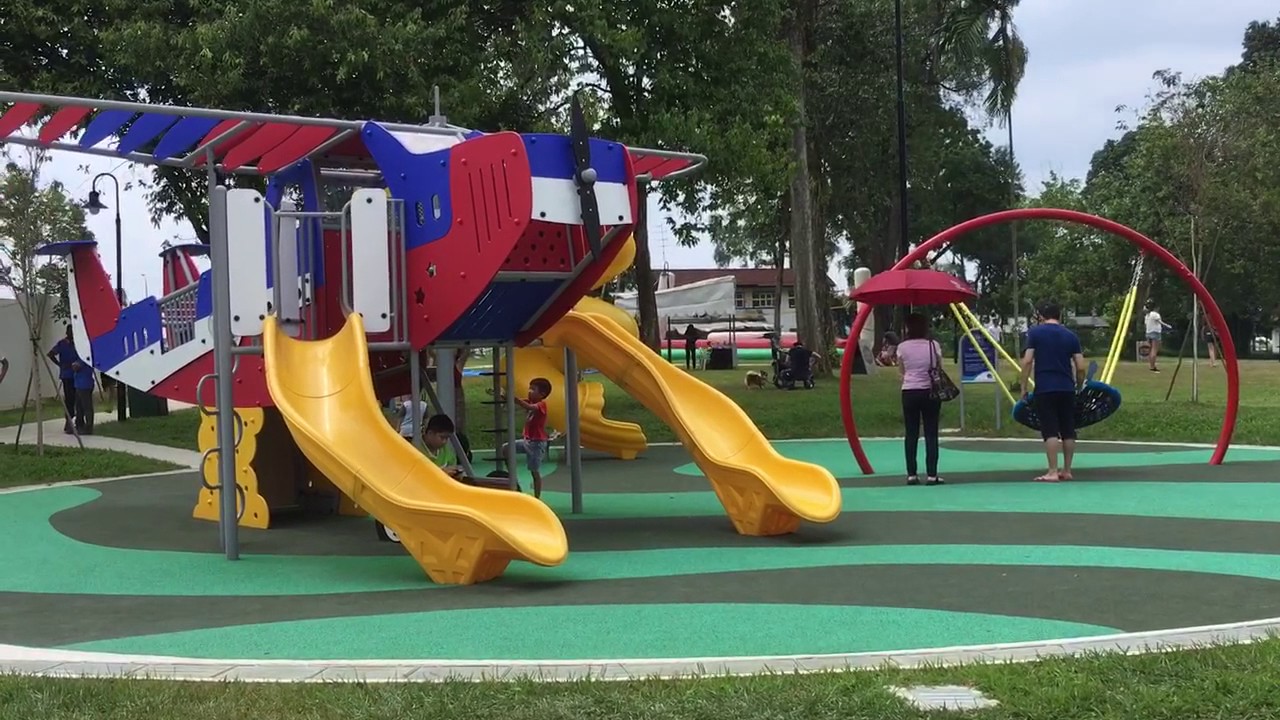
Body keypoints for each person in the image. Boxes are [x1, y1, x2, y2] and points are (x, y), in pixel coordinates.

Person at [1019, 302, 1087, 483]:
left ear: (1041, 316)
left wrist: (1023, 386)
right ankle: (1067, 470)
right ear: (1060, 315)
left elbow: (1027, 361)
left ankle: (1052, 471)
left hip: (1045, 387)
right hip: (1067, 388)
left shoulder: (1035, 333)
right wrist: (1079, 385)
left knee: (1049, 429)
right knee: (1068, 429)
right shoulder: (1071, 336)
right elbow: (1080, 366)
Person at [896, 313, 944, 486]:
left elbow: (901, 372)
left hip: (909, 391)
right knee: (931, 432)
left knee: (911, 433)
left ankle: (911, 474)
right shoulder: (933, 345)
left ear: (907, 327)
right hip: (930, 391)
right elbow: (939, 368)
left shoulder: (902, 347)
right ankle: (932, 474)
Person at [500, 377, 552, 498]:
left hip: (537, 443)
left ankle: (537, 497)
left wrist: (516, 400)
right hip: (527, 440)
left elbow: (529, 407)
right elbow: (520, 403)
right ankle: (513, 477)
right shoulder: (529, 401)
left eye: (533, 389)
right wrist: (507, 398)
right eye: (529, 388)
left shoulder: (541, 405)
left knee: (534, 471)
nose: (529, 391)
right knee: (505, 448)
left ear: (542, 394)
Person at [46, 325, 80, 434]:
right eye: (70, 331)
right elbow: (50, 354)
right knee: (69, 399)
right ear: (67, 332)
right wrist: (60, 364)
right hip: (67, 375)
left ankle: (78, 421)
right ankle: (68, 422)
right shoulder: (62, 344)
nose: (71, 334)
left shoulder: (78, 343)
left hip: (78, 374)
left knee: (78, 399)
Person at [421, 414, 466, 481]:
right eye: (442, 437)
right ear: (430, 433)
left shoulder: (447, 453)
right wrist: (441, 473)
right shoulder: (415, 449)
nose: (444, 441)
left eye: (447, 438)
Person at [1144, 301, 1172, 372]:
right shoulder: (1155, 314)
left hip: (1148, 332)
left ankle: (1151, 365)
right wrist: (1167, 326)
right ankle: (1153, 366)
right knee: (1154, 349)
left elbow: (1146, 324)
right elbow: (1160, 322)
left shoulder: (1147, 315)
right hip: (1155, 332)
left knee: (1151, 350)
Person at [71, 359, 96, 434]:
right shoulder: (81, 358)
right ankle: (79, 424)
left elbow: (76, 367)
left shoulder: (84, 358)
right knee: (79, 407)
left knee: (86, 407)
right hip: (80, 384)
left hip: (84, 385)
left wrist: (72, 365)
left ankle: (88, 427)